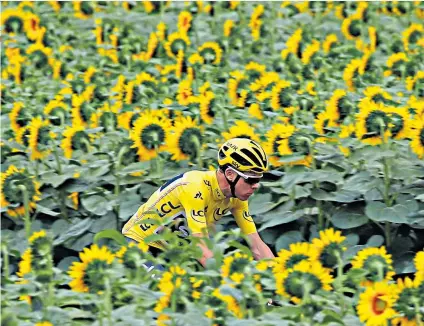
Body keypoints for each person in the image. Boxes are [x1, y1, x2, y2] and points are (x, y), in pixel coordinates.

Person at [122, 138, 275, 269]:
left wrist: (276, 278)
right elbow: (199, 245)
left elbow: (257, 247)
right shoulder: (194, 187)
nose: (256, 186)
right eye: (251, 180)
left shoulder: (237, 197)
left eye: (258, 179)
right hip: (139, 243)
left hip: (170, 253)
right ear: (230, 174)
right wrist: (229, 281)